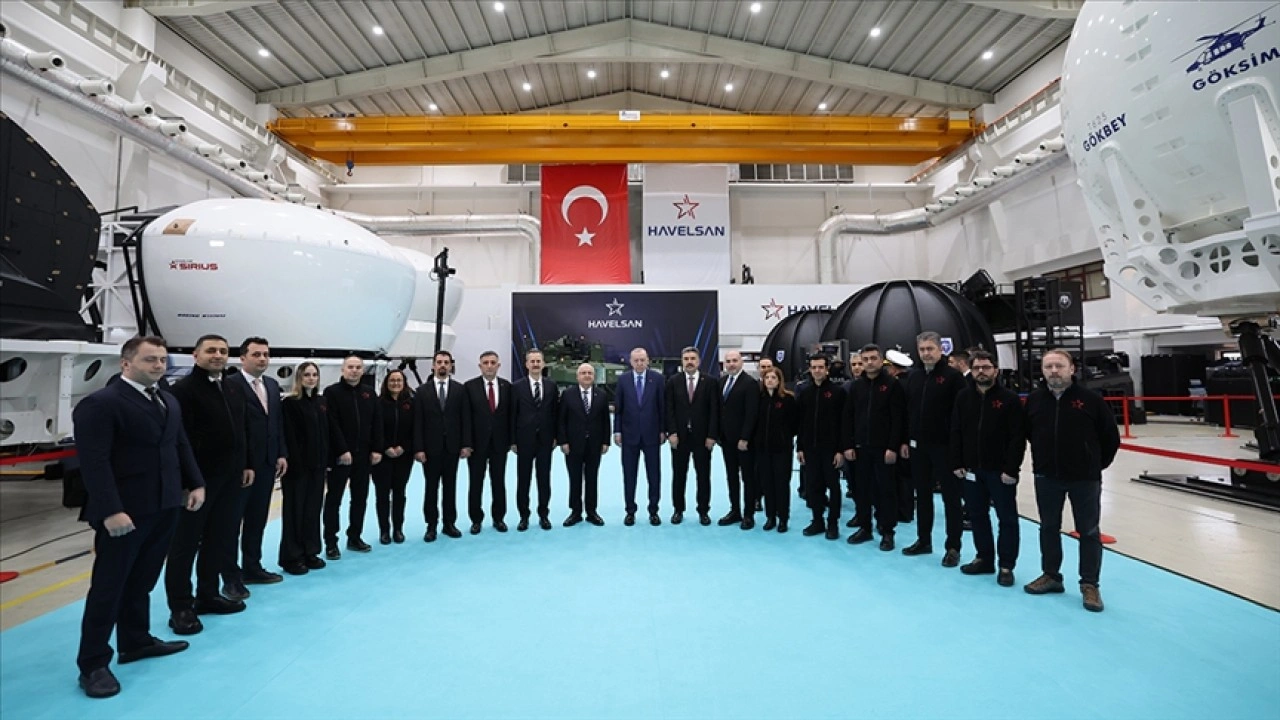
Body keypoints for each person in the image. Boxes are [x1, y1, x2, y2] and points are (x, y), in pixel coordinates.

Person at [74, 336, 204, 699]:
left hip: (164, 504)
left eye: (162, 360)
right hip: (125, 511)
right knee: (109, 587)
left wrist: (195, 482)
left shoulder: (167, 400)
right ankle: (93, 663)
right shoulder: (101, 404)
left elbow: (180, 444)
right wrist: (110, 510)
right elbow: (94, 463)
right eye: (150, 360)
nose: (159, 366)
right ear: (126, 363)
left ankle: (135, 640)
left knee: (143, 579)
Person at [165, 334, 253, 635]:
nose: (218, 355)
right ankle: (180, 606)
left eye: (223, 351)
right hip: (199, 481)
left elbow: (241, 429)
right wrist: (190, 482)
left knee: (219, 538)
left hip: (230, 478)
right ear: (196, 355)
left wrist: (246, 464)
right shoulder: (183, 391)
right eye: (211, 350)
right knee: (185, 544)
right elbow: (180, 440)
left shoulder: (232, 388)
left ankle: (208, 594)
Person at [1024, 349, 1120, 612]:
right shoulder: (1034, 400)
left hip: (1084, 478)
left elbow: (1110, 437)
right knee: (1048, 527)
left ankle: (1090, 584)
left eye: (1059, 366)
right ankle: (1051, 575)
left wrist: (1094, 464)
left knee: (1088, 531)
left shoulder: (1091, 400)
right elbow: (1031, 434)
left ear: (1072, 369)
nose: (1054, 371)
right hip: (1047, 476)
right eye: (1048, 367)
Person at [949, 350, 1026, 586]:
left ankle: (1006, 565)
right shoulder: (963, 397)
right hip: (971, 470)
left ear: (996, 370)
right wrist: (957, 462)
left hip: (1000, 473)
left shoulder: (1010, 399)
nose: (981, 372)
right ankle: (984, 558)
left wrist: (1011, 469)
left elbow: (1017, 437)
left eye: (986, 367)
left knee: (1007, 519)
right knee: (977, 516)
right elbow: (956, 431)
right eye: (976, 368)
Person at [225, 337, 286, 597]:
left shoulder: (271, 385)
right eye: (256, 354)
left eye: (265, 354)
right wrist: (244, 463)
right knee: (231, 524)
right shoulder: (230, 385)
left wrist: (281, 453)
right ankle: (230, 576)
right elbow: (234, 429)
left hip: (267, 464)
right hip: (242, 468)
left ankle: (252, 567)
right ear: (243, 358)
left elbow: (276, 423)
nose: (262, 359)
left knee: (257, 520)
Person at [901, 332, 967, 567]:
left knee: (951, 499)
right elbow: (907, 411)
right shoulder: (913, 377)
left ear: (940, 350)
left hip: (945, 447)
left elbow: (961, 416)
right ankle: (924, 540)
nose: (926, 353)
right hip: (918, 447)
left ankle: (953, 547)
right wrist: (906, 440)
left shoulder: (953, 378)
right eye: (922, 349)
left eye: (930, 349)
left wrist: (958, 448)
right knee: (923, 496)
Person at [841, 344, 906, 551]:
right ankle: (865, 527)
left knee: (886, 491)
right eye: (865, 359)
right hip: (860, 448)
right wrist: (848, 444)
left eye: (873, 358)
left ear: (881, 360)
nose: (869, 363)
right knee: (861, 489)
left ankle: (887, 531)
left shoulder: (892, 385)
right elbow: (848, 417)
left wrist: (893, 447)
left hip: (884, 448)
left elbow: (898, 418)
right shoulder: (856, 387)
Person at [323, 355, 383, 558]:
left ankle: (355, 536)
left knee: (360, 498)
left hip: (363, 456)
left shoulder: (369, 393)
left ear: (362, 370)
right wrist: (342, 450)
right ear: (343, 369)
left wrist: (377, 449)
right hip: (340, 457)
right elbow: (331, 424)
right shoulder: (332, 393)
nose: (354, 370)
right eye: (350, 367)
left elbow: (377, 422)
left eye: (358, 367)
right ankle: (331, 542)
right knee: (334, 499)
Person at [278, 362, 331, 575]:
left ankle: (311, 551)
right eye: (307, 374)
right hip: (297, 469)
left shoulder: (321, 402)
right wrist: (296, 464)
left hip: (318, 467)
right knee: (295, 512)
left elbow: (325, 433)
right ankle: (292, 557)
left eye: (314, 375)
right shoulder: (290, 404)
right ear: (299, 378)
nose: (311, 378)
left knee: (312, 511)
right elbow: (289, 436)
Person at [414, 350, 472, 541]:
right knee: (431, 488)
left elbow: (465, 419)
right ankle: (431, 525)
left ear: (451, 366)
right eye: (439, 362)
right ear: (433, 365)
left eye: (446, 362)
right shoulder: (422, 391)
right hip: (430, 449)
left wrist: (466, 444)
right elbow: (418, 422)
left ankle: (449, 523)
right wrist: (419, 448)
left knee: (450, 487)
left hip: (452, 447)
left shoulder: (460, 390)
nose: (442, 365)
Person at [665, 346, 718, 525]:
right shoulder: (673, 381)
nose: (689, 362)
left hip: (702, 438)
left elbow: (714, 411)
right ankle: (678, 510)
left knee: (703, 476)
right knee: (679, 475)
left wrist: (712, 435)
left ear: (699, 361)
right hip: (679, 438)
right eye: (686, 359)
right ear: (682, 361)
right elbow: (669, 409)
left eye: (692, 359)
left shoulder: (710, 382)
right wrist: (671, 433)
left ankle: (703, 511)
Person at [614, 347, 666, 526]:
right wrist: (617, 431)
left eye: (642, 360)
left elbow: (662, 407)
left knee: (654, 475)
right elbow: (619, 408)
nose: (639, 363)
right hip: (629, 436)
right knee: (629, 476)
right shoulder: (623, 380)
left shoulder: (658, 379)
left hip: (652, 435)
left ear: (648, 360)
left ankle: (654, 511)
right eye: (636, 360)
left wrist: (663, 430)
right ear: (631, 362)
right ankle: (630, 511)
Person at [796, 355, 846, 540]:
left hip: (831, 450)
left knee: (833, 487)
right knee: (813, 486)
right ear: (810, 369)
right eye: (814, 367)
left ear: (827, 369)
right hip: (810, 449)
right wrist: (800, 447)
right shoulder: (805, 393)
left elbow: (843, 423)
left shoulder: (838, 392)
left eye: (820, 367)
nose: (817, 370)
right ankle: (817, 520)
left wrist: (840, 450)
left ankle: (833, 523)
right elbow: (801, 423)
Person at [464, 351, 513, 533]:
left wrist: (511, 441)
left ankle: (499, 518)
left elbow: (511, 416)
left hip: (500, 443)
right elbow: (466, 418)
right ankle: (476, 519)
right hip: (476, 445)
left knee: (498, 482)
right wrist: (467, 443)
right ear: (480, 366)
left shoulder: (507, 387)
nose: (489, 366)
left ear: (498, 366)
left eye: (493, 362)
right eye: (486, 363)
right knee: (476, 482)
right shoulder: (469, 387)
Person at [512, 349, 559, 531]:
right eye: (532, 361)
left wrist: (556, 436)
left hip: (546, 441)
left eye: (538, 361)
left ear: (543, 364)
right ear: (526, 364)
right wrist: (513, 440)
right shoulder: (517, 387)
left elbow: (555, 413)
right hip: (524, 441)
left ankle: (544, 515)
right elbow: (512, 415)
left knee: (544, 480)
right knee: (523, 480)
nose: (535, 364)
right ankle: (524, 516)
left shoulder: (551, 386)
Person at [558, 363, 609, 527]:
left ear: (594, 376)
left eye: (589, 373)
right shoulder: (567, 395)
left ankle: (592, 512)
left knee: (592, 478)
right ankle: (575, 512)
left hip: (595, 444)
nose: (587, 375)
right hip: (573, 445)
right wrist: (563, 441)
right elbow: (561, 420)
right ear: (577, 376)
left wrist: (605, 441)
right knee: (575, 479)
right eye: (583, 373)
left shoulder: (601, 395)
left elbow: (606, 420)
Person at [718, 350, 759, 528]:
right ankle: (735, 510)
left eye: (735, 360)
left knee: (748, 478)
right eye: (728, 361)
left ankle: (748, 514)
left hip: (744, 442)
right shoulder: (721, 382)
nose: (731, 364)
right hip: (726, 439)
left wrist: (745, 437)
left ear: (741, 362)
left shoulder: (750, 383)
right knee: (731, 476)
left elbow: (752, 413)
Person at [373, 370, 415, 544]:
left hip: (404, 456)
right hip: (383, 457)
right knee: (382, 494)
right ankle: (384, 530)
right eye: (392, 380)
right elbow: (375, 429)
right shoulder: (378, 403)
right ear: (386, 383)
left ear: (404, 383)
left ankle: (398, 528)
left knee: (399, 493)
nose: (396, 383)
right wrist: (385, 448)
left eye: (399, 380)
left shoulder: (411, 404)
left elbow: (415, 429)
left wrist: (404, 447)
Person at [754, 366, 798, 532]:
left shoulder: (788, 399)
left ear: (779, 380)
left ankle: (783, 518)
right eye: (767, 378)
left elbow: (794, 424)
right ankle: (770, 516)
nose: (770, 380)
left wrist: (783, 437)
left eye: (773, 377)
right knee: (767, 484)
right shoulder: (759, 399)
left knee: (781, 484)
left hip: (782, 450)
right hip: (763, 450)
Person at [840, 351, 866, 502]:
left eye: (860, 364)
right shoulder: (845, 388)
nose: (857, 367)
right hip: (850, 438)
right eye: (854, 364)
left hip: (870, 439)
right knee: (852, 474)